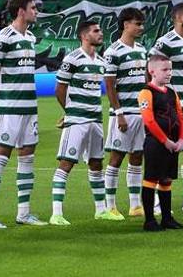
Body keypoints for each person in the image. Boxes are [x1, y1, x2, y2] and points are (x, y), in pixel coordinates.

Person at [0, 0, 44, 228]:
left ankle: (24, 212)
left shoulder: (30, 36)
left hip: (29, 106)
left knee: (28, 155)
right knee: (1, 154)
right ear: (21, 11)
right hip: (9, 106)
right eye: (33, 8)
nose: (36, 11)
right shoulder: (5, 37)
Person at [49, 19, 113, 225]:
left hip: (95, 118)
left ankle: (101, 210)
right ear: (85, 36)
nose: (100, 33)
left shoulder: (101, 61)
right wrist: (69, 111)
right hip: (77, 119)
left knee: (96, 163)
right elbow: (59, 89)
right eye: (96, 31)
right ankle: (56, 213)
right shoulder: (72, 59)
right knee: (66, 163)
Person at [151, 3, 183, 211]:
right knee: (167, 153)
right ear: (179, 18)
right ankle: (156, 199)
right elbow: (152, 70)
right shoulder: (165, 42)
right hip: (173, 107)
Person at [103, 7, 147, 218]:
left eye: (141, 24)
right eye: (137, 24)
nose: (141, 28)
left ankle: (135, 204)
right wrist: (118, 112)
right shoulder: (113, 52)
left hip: (141, 113)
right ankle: (109, 205)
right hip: (124, 114)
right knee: (116, 157)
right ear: (125, 24)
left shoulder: (141, 50)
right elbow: (110, 86)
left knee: (137, 156)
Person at [138, 55, 183, 231]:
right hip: (156, 143)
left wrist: (181, 139)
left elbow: (180, 116)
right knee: (151, 179)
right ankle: (149, 220)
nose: (169, 73)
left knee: (166, 179)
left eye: (170, 69)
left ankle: (167, 218)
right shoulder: (146, 92)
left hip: (173, 143)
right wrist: (166, 141)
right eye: (165, 70)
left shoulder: (172, 92)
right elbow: (149, 120)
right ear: (152, 71)